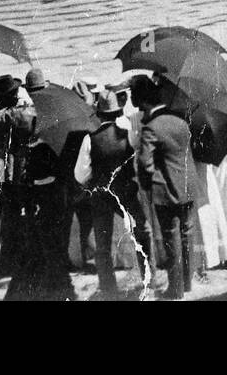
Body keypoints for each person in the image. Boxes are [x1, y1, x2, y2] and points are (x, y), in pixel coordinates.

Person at [74, 89, 151, 297]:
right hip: (125, 191)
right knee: (142, 232)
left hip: (101, 194)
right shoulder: (128, 134)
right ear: (117, 112)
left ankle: (108, 288)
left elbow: (81, 174)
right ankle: (146, 277)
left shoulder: (90, 139)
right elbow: (136, 158)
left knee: (102, 244)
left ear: (98, 114)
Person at [133, 76, 197, 300]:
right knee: (186, 233)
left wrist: (146, 182)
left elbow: (144, 163)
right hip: (188, 185)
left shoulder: (151, 128)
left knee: (172, 238)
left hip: (167, 191)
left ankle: (176, 289)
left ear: (145, 104)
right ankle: (187, 283)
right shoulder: (180, 120)